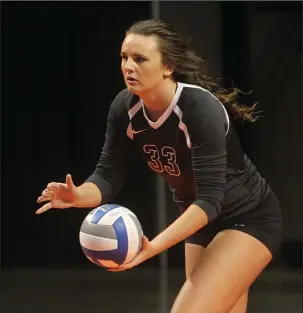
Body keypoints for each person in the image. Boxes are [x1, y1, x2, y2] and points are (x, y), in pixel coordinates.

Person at [36, 19, 283, 313]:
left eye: (140, 59)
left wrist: (151, 247)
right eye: (124, 57)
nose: (129, 66)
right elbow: (107, 176)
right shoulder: (125, 108)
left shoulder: (199, 110)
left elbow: (210, 200)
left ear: (168, 66)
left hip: (248, 217)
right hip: (199, 221)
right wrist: (78, 197)